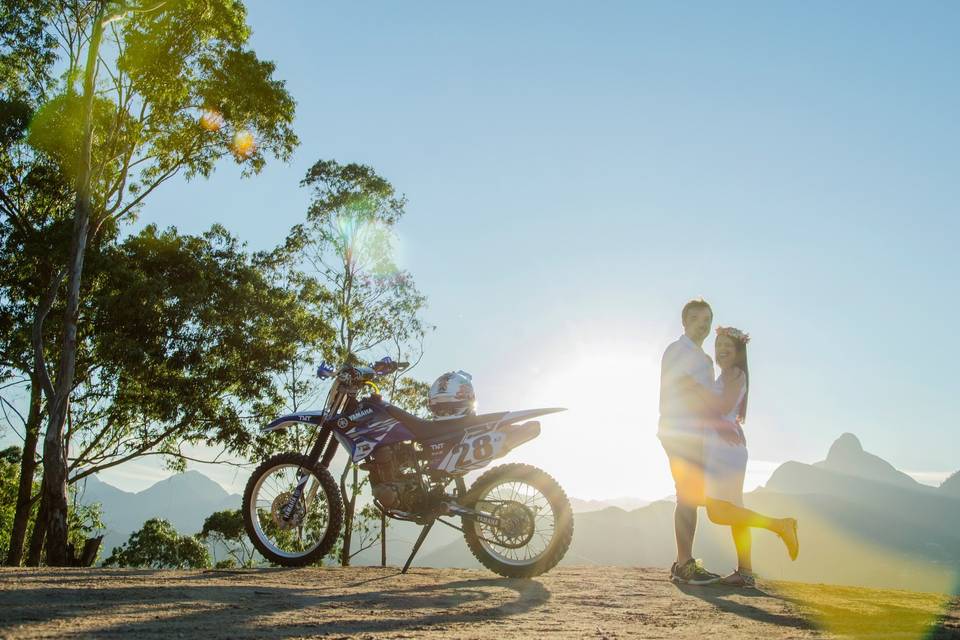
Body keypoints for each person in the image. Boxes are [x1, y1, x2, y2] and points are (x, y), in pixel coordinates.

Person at [687, 326, 800, 588]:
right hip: (726, 448)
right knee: (734, 512)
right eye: (718, 346)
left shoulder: (735, 374)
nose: (721, 350)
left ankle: (780, 526)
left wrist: (693, 389)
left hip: (724, 451)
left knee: (718, 513)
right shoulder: (728, 375)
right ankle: (746, 572)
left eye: (728, 346)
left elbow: (722, 407)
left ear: (739, 351)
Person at [658, 299, 722, 585]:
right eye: (696, 318)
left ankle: (683, 561)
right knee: (686, 492)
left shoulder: (706, 360)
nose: (702, 323)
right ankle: (684, 564)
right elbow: (675, 386)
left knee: (691, 496)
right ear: (685, 322)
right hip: (678, 429)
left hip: (699, 434)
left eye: (707, 319)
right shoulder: (676, 350)